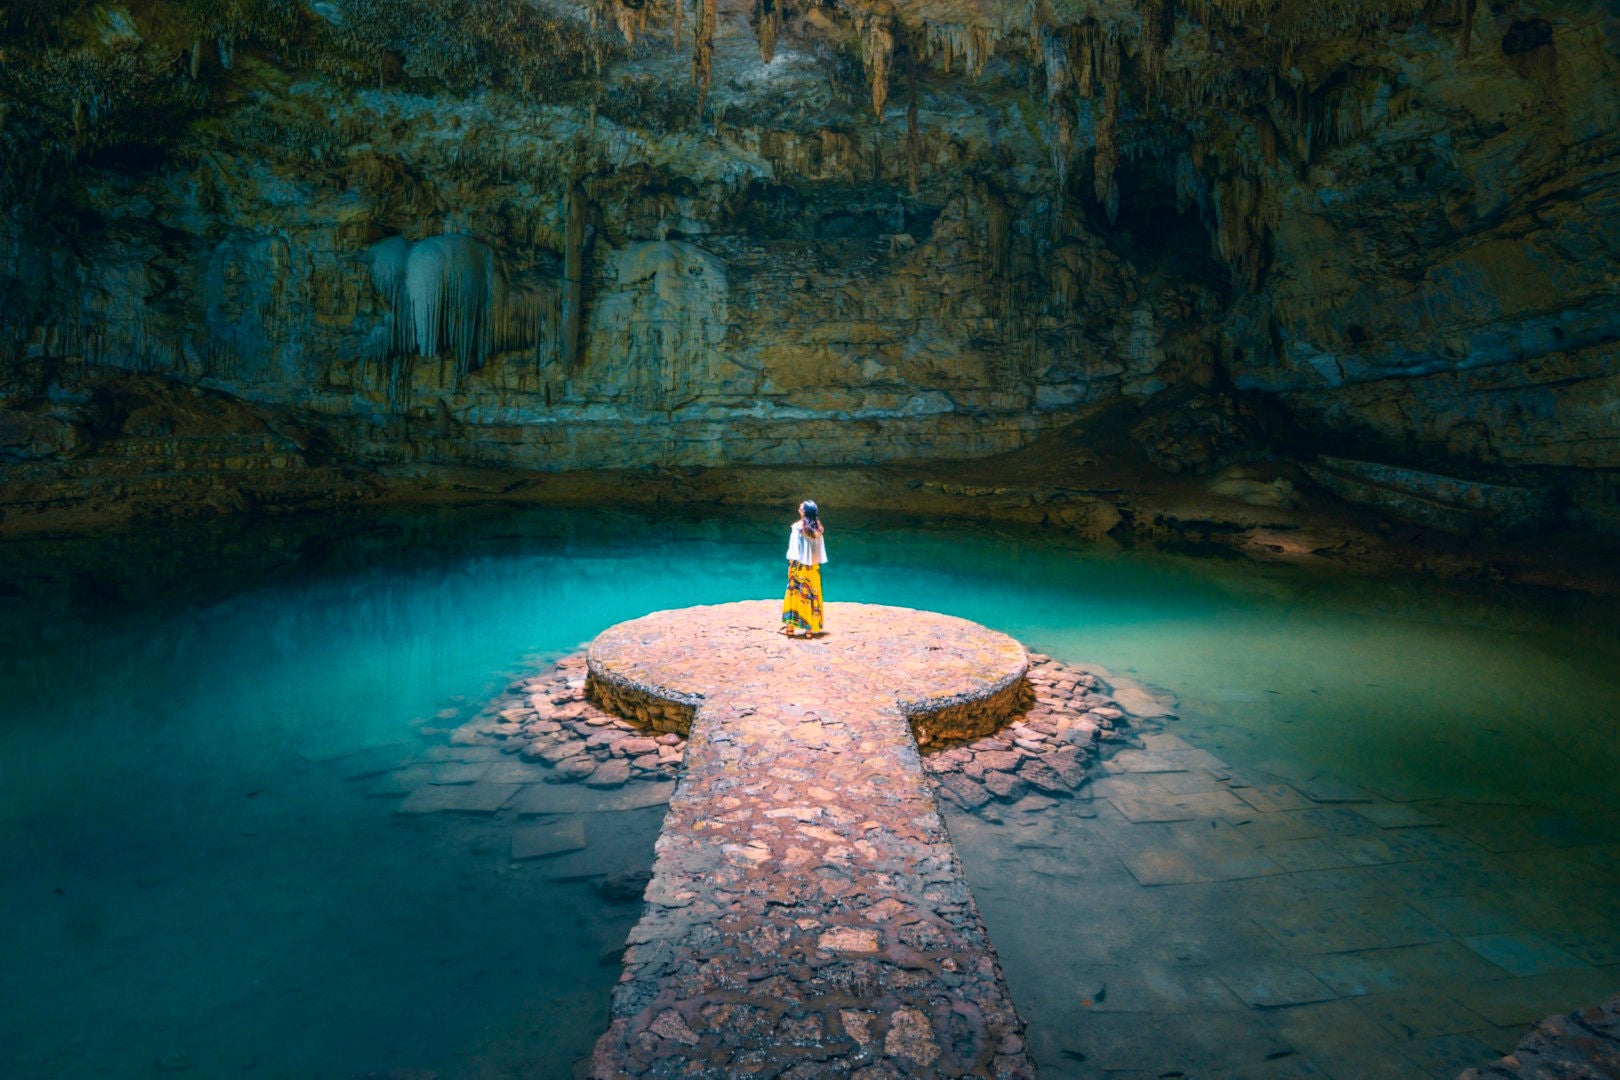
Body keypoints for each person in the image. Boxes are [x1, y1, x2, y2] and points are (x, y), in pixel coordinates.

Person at [781, 500, 828, 637]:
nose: (798, 509)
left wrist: (790, 566)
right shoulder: (818, 531)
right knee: (811, 596)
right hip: (813, 569)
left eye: (801, 508)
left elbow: (794, 550)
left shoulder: (797, 528)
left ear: (804, 512)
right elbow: (819, 552)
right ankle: (809, 630)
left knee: (794, 595)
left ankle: (790, 628)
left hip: (799, 567)